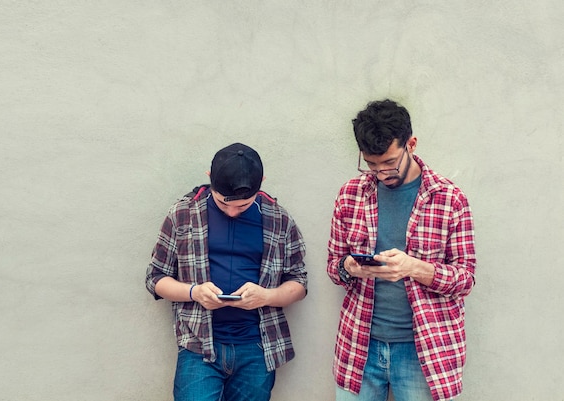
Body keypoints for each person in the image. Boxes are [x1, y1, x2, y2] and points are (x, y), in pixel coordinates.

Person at [327, 99, 477, 401]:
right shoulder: (350, 194)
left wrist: (414, 268)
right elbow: (333, 266)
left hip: (424, 349)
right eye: (371, 164)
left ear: (412, 144)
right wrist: (350, 268)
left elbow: (465, 279)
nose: (381, 173)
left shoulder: (449, 199)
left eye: (389, 163)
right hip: (360, 344)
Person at [146, 142, 308, 401]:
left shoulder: (280, 219)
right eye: (223, 204)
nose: (232, 212)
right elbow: (155, 278)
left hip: (257, 347)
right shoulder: (183, 214)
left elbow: (299, 282)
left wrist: (266, 296)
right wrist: (194, 292)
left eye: (243, 206)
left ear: (261, 183)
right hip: (198, 346)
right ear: (209, 179)